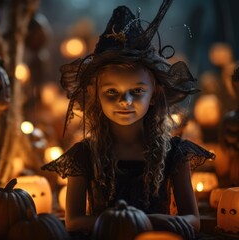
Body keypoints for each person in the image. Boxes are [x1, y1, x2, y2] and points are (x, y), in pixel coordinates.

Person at [42, 0, 215, 239]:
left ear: (153, 95)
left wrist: (156, 224)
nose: (126, 101)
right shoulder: (84, 154)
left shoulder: (174, 152)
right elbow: (73, 221)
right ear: (97, 96)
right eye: (112, 92)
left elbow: (192, 219)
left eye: (136, 91)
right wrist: (147, 220)